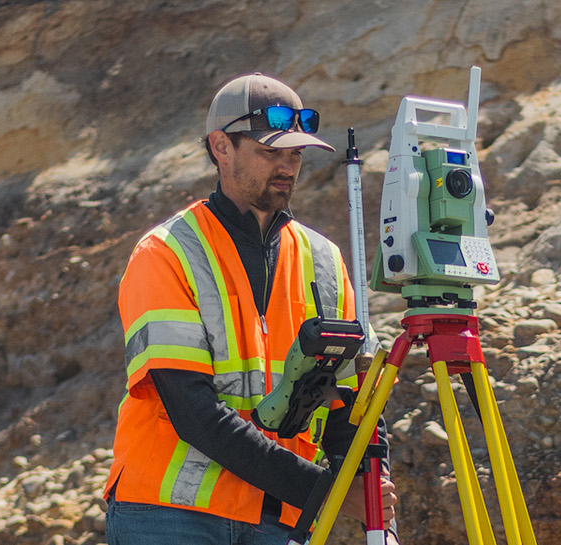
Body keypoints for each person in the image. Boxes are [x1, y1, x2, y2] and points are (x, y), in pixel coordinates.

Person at [105, 73, 398, 545]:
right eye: (270, 152)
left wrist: (366, 486)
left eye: (296, 154)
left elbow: (352, 400)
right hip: (171, 514)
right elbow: (192, 410)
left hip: (275, 519)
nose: (287, 166)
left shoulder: (323, 259)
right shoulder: (166, 252)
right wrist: (324, 490)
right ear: (221, 147)